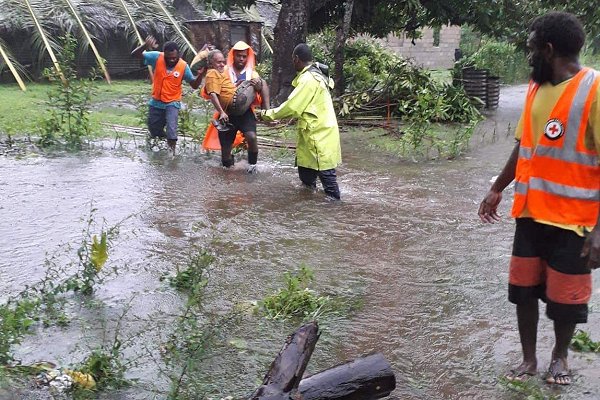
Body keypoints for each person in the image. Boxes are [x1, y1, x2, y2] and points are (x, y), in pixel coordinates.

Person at [478, 11, 600, 386]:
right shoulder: (535, 88)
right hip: (530, 215)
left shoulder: (594, 91)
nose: (528, 57)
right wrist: (498, 187)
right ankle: (529, 359)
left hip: (575, 220)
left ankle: (559, 358)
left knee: (567, 300)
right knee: (524, 292)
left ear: (548, 50)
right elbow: (524, 146)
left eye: (532, 50)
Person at [256, 43, 342, 200]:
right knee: (306, 180)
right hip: (315, 134)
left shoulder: (308, 80)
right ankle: (310, 207)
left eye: (292, 59)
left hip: (318, 135)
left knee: (328, 182)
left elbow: (292, 107)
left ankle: (335, 213)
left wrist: (266, 115)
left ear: (296, 59)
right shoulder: (317, 75)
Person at [201, 42, 269, 172]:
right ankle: (227, 171)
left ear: (247, 57)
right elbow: (209, 92)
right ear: (233, 56)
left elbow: (255, 98)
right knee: (226, 150)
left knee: (252, 137)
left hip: (245, 112)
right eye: (238, 56)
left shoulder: (252, 74)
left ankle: (252, 167)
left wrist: (258, 89)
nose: (241, 59)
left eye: (244, 56)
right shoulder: (222, 71)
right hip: (227, 113)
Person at [132, 36, 204, 154]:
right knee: (154, 129)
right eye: (168, 58)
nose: (171, 60)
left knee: (171, 130)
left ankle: (172, 154)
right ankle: (161, 145)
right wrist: (145, 45)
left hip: (172, 103)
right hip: (156, 102)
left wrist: (200, 75)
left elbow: (194, 85)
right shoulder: (156, 57)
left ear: (178, 55)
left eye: (174, 58)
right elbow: (134, 55)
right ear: (163, 54)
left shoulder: (183, 66)